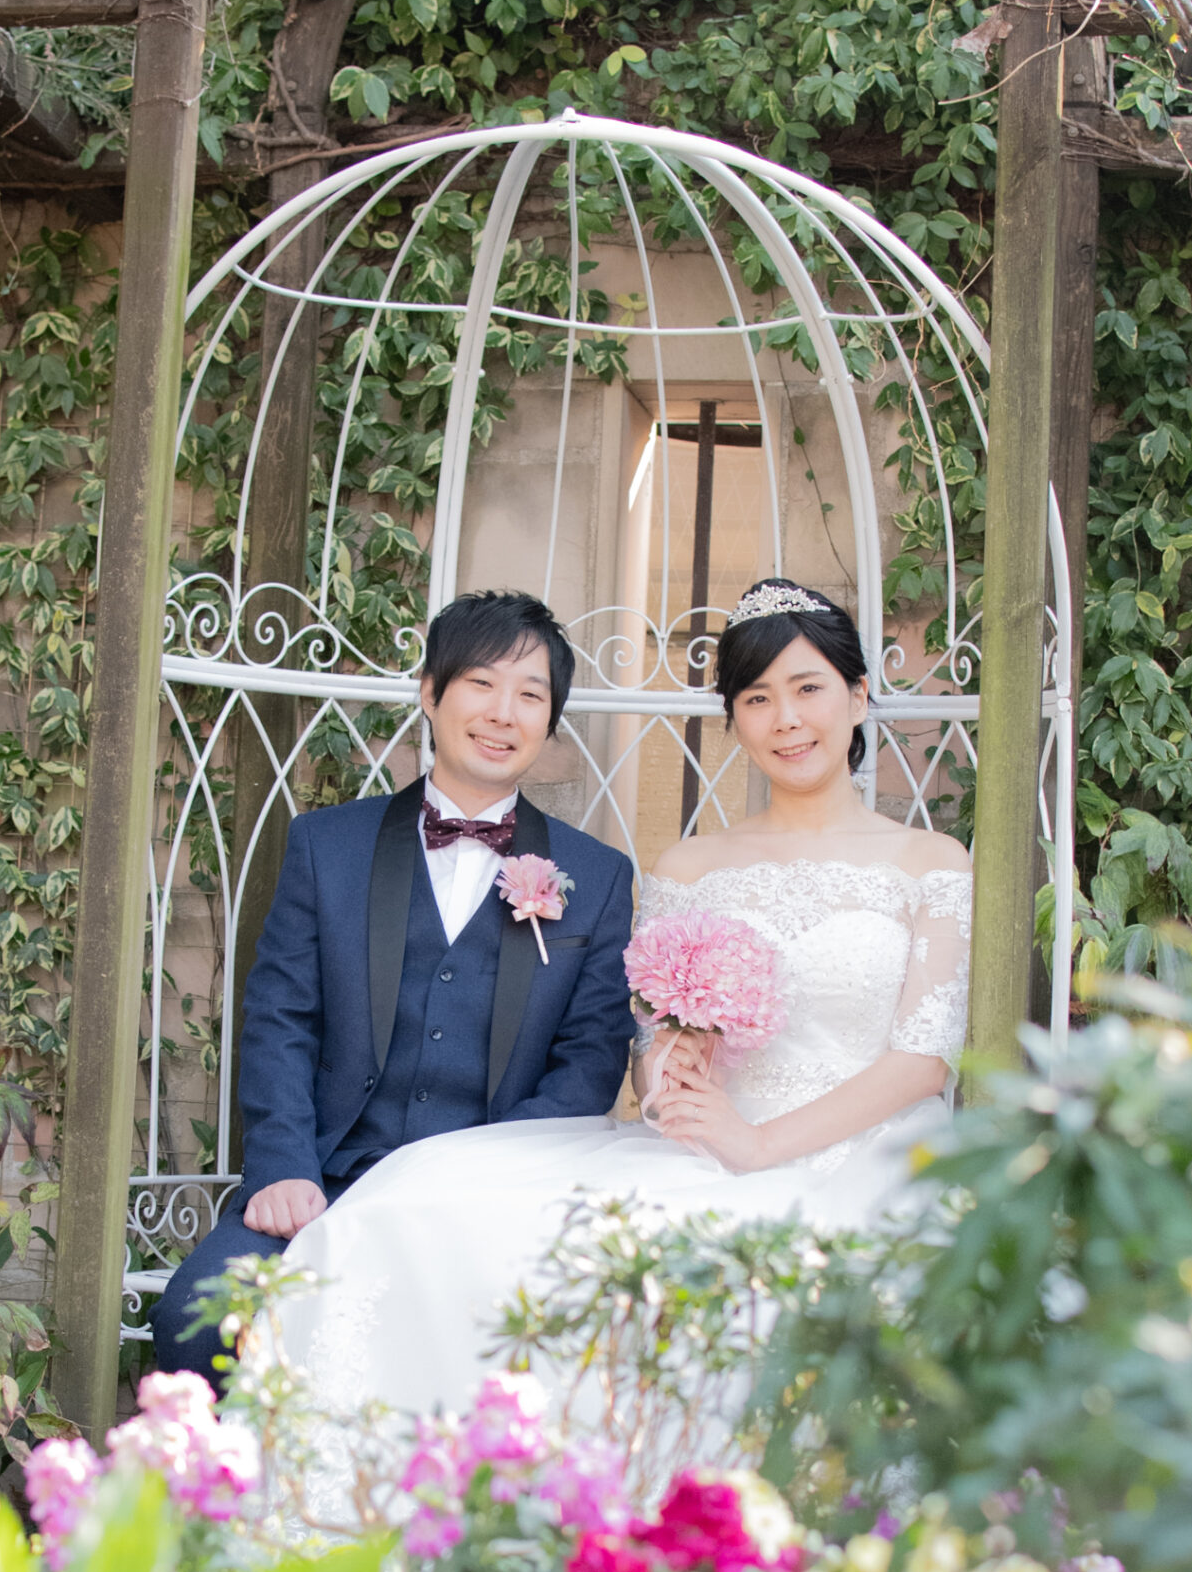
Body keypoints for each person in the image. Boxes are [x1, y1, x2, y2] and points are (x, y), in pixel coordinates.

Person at [260, 578, 972, 1420]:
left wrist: (758, 1145)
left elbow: (924, 1061)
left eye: (808, 688)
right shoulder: (688, 867)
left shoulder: (932, 862)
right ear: (735, 718)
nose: (785, 719)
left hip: (868, 1159)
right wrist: (674, 1069)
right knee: (502, 1234)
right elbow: (641, 1050)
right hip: (707, 1151)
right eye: (756, 698)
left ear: (856, 696)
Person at [150, 589, 637, 1380]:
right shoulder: (327, 846)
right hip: (327, 1182)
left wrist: (476, 1182)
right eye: (480, 683)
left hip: (489, 1201)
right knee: (197, 1318)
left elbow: (588, 1065)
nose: (503, 713)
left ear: (551, 720)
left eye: (530, 694)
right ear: (431, 693)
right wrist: (283, 1167)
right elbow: (280, 1019)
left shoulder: (598, 876)